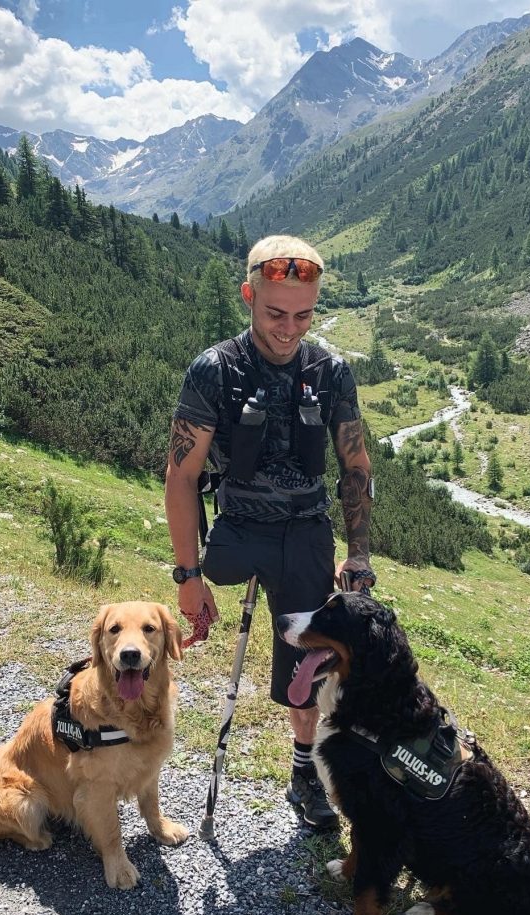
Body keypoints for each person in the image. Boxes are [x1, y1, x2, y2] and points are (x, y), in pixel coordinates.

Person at [165, 235, 374, 830]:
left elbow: (355, 468)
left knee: (309, 662)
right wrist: (188, 577)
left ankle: (304, 772)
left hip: (306, 530)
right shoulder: (216, 369)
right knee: (226, 576)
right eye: (275, 313)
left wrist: (357, 554)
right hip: (238, 528)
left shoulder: (330, 371)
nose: (289, 330)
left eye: (303, 315)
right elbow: (181, 476)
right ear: (248, 296)